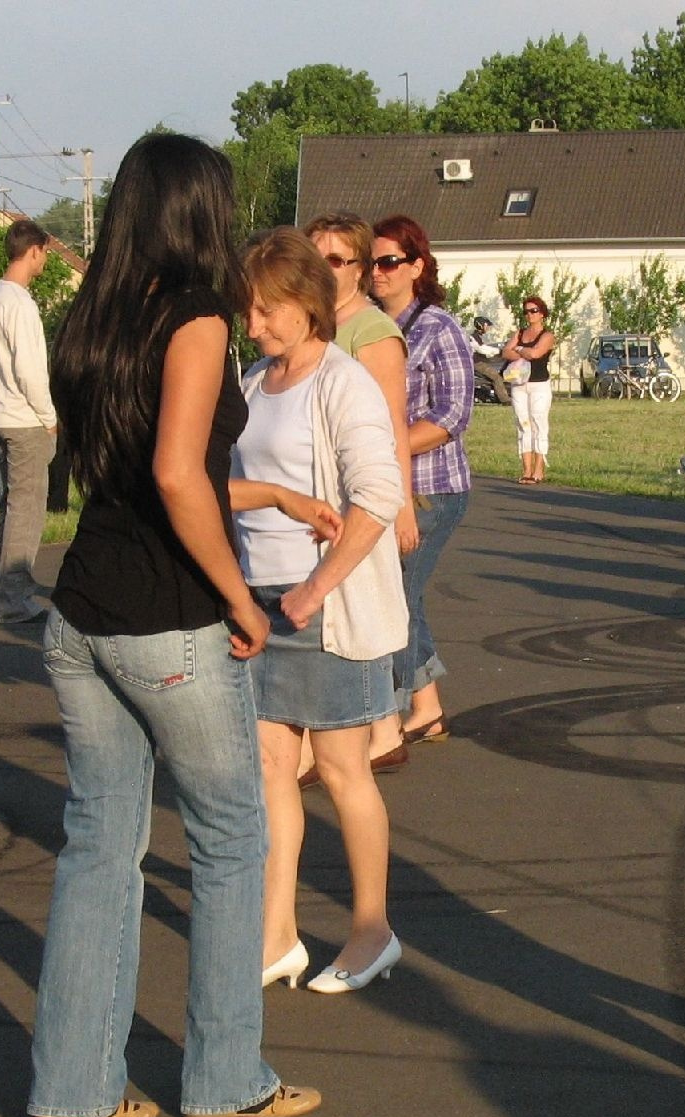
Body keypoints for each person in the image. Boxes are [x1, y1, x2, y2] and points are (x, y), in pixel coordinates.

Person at [29, 132, 327, 1117]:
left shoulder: (94, 316)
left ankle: (73, 1087)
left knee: (98, 846)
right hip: (168, 620)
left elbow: (147, 476)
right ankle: (225, 1073)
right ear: (200, 211)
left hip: (81, 611)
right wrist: (240, 597)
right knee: (233, 836)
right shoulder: (196, 318)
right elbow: (174, 475)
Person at [233, 228, 407, 996]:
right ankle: (277, 935)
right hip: (260, 609)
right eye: (250, 311)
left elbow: (378, 494)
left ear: (306, 306)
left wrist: (315, 589)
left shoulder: (343, 384)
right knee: (272, 769)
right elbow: (220, 487)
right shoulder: (249, 384)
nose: (255, 325)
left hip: (327, 614)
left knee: (342, 770)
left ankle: (372, 931)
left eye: (267, 310)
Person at [301, 211, 418, 780]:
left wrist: (403, 506)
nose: (324, 269)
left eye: (337, 260)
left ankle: (385, 729)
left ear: (360, 270)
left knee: (365, 610)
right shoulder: (311, 326)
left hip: (361, 495)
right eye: (314, 257)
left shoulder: (371, 332)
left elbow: (393, 422)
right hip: (314, 497)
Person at [369, 214, 474, 745]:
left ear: (417, 266)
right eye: (372, 262)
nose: (377, 271)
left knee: (395, 598)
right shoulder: (367, 325)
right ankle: (426, 705)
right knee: (404, 596)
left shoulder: (438, 327)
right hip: (383, 485)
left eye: (388, 261)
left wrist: (383, 444)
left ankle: (381, 717)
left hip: (433, 487)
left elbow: (454, 414)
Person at [0, 220, 59, 624]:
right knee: (27, 512)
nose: (44, 260)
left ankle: (5, 595)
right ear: (33, 251)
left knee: (10, 507)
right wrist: (50, 418)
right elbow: (30, 370)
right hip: (25, 417)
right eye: (44, 253)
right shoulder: (20, 302)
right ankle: (14, 599)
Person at [502, 296, 555, 484]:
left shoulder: (547, 335)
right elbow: (506, 352)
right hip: (519, 384)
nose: (529, 314)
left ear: (542, 313)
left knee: (539, 423)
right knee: (523, 424)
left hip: (539, 384)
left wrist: (520, 349)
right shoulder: (520, 332)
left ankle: (539, 468)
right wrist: (522, 349)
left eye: (533, 311)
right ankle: (526, 469)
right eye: (526, 311)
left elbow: (536, 353)